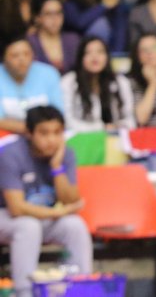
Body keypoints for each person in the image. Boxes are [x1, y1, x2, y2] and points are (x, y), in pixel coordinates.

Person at [0, 105, 91, 297]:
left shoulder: (65, 154)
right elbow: (16, 208)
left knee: (75, 225)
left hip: (42, 217)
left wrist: (57, 167)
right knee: (28, 226)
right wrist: (56, 213)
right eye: (44, 133)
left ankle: (79, 288)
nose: (52, 139)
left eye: (57, 133)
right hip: (7, 217)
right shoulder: (10, 154)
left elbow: (70, 200)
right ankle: (25, 291)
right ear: (29, 133)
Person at [60, 36, 135, 133]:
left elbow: (130, 120)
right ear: (81, 57)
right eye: (88, 53)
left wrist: (116, 127)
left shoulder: (121, 82)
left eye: (100, 52)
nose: (94, 57)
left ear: (107, 56)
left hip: (116, 138)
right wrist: (101, 128)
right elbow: (67, 121)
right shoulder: (68, 82)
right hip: (81, 139)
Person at [0, 38, 64, 135]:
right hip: (7, 136)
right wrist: (30, 129)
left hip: (46, 135)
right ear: (4, 59)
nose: (22, 59)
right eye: (15, 55)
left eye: (26, 54)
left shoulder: (48, 73)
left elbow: (58, 113)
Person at [28, 0, 79, 76]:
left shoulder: (73, 40)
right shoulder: (29, 42)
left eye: (58, 13)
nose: (55, 19)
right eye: (48, 14)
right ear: (37, 18)